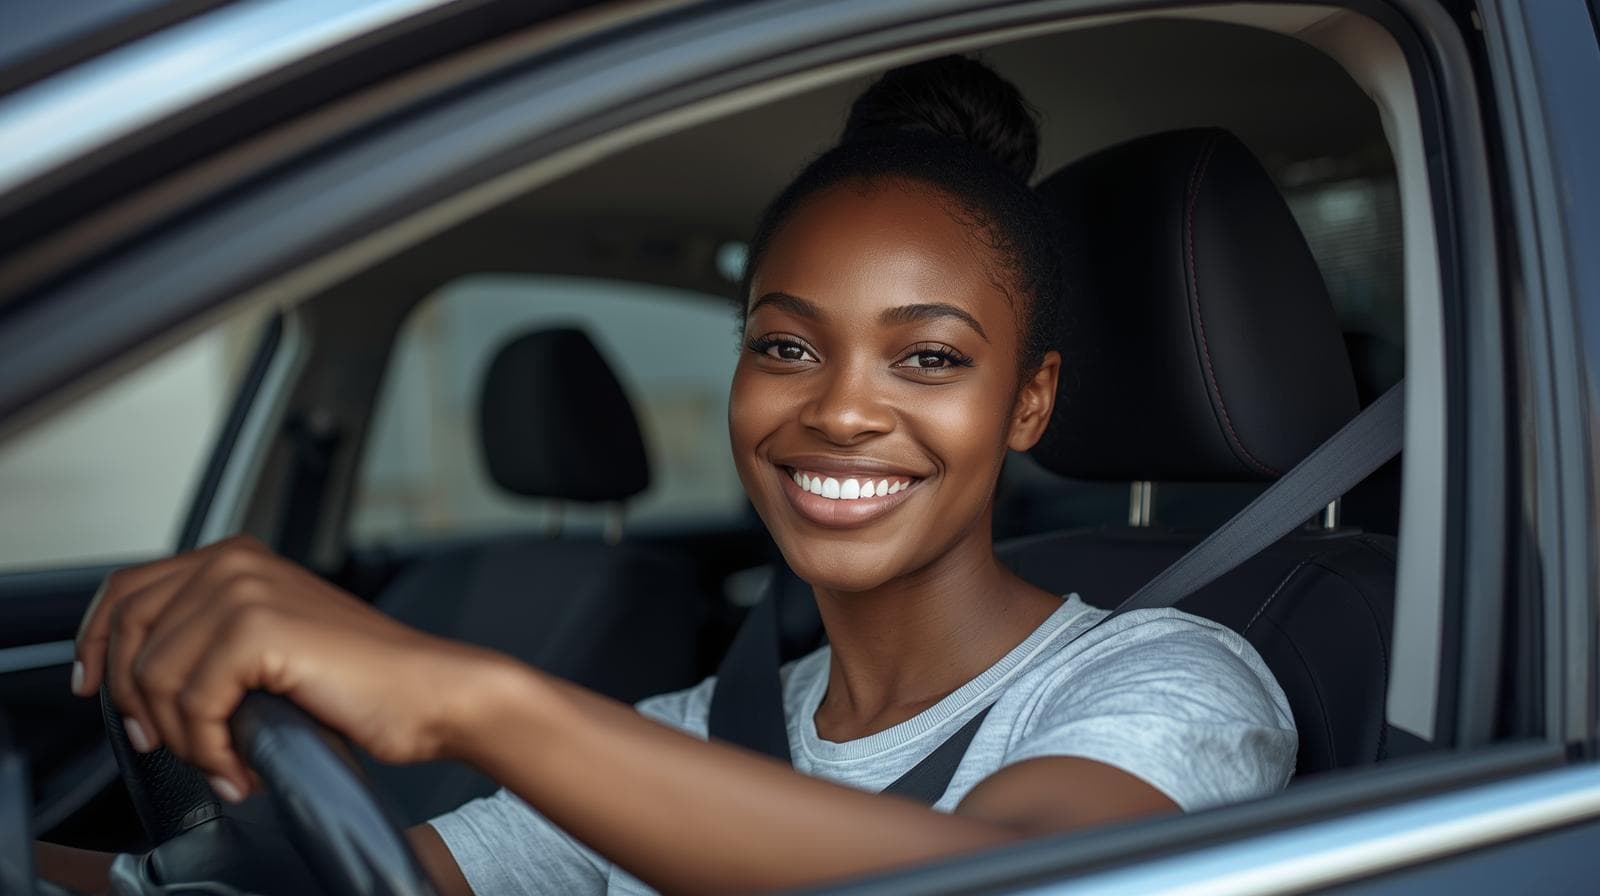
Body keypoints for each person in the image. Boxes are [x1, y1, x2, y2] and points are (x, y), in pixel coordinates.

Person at [45, 56, 1295, 895]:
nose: (842, 408)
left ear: (1027, 400)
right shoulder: (695, 729)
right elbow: (377, 872)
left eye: (926, 356)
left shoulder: (1170, 678)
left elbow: (997, 875)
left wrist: (462, 697)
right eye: (788, 345)